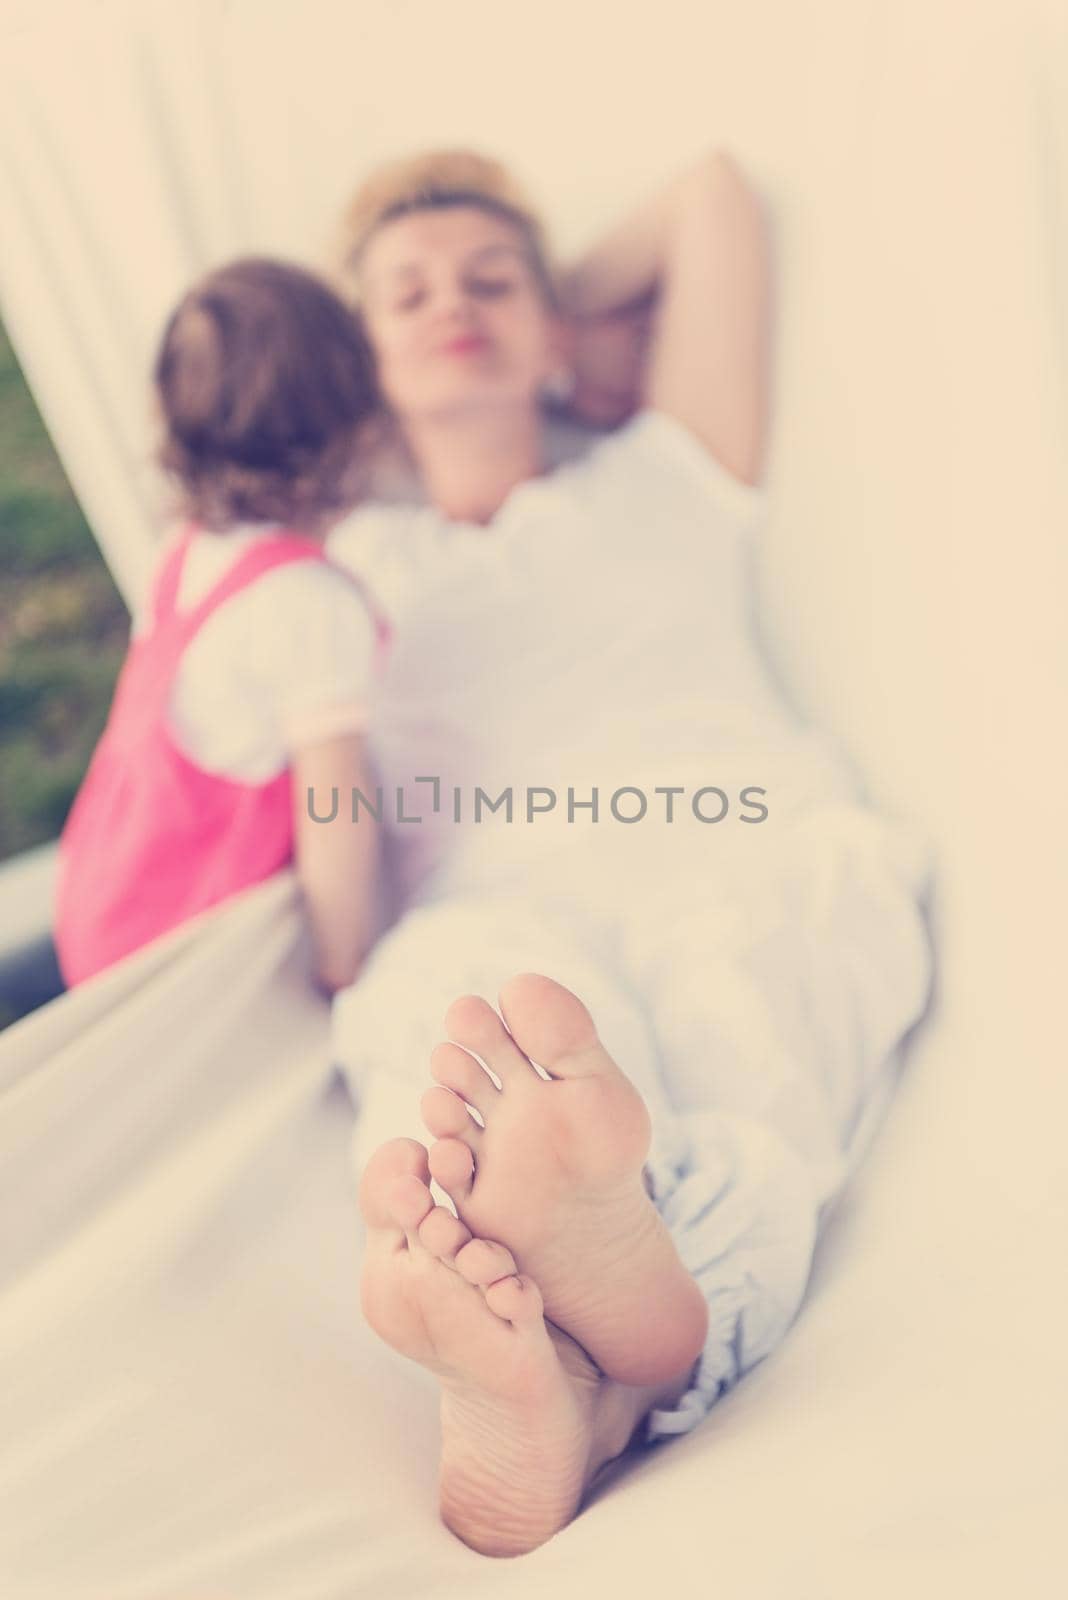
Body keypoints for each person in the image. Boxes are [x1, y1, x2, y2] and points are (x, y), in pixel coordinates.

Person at [325, 149, 935, 1556]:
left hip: (740, 839)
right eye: (405, 296)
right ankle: (580, 1373)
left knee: (741, 995)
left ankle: (587, 1351)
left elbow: (711, 197)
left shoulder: (670, 472)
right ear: (354, 365)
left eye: (491, 284)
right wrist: (501, 309)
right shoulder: (338, 562)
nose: (451, 306)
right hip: (493, 897)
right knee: (462, 1010)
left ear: (557, 329)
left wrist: (556, 321)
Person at [54, 258, 389, 994]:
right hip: (185, 938)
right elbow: (334, 809)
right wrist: (344, 960)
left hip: (104, 898)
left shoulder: (186, 555)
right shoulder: (309, 603)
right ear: (358, 426)